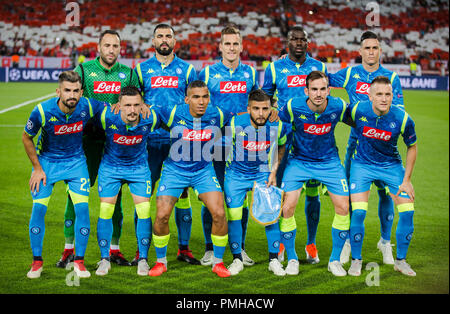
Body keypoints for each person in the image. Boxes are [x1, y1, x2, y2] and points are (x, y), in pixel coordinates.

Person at [57, 30, 140, 268]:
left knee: (115, 197)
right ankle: (68, 250)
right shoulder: (84, 71)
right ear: (99, 47)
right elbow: (71, 100)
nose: (111, 50)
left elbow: (136, 103)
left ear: (120, 48)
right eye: (107, 45)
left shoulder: (128, 73)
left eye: (115, 46)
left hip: (116, 143)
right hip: (86, 143)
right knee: (76, 195)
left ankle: (114, 250)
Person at [328, 31, 404, 265]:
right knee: (353, 197)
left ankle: (384, 241)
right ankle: (350, 241)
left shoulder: (391, 77)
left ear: (380, 51)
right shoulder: (350, 73)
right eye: (367, 48)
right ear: (360, 52)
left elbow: (398, 111)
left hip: (383, 147)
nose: (371, 52)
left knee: (385, 194)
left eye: (375, 48)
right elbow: (322, 80)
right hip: (356, 145)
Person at [23, 71, 106, 279]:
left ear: (81, 92)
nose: (72, 95)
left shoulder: (87, 105)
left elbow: (110, 108)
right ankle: (36, 263)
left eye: (76, 91)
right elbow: (26, 137)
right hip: (47, 163)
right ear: (58, 91)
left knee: (83, 210)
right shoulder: (42, 111)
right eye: (67, 90)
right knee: (38, 210)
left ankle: (79, 261)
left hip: (76, 162)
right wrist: (37, 168)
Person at [148, 80, 232, 278]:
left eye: (205, 97)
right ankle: (161, 262)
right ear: (187, 99)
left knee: (219, 213)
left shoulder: (218, 115)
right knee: (161, 215)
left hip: (203, 170)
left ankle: (218, 263)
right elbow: (149, 111)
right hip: (174, 170)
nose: (201, 102)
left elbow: (239, 120)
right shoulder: (172, 113)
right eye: (196, 97)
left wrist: (270, 112)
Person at [262, 26, 328, 264]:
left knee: (312, 192)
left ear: (308, 43)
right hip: (282, 139)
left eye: (303, 40)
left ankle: (311, 243)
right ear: (287, 42)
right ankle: (281, 242)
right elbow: (265, 96)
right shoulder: (274, 67)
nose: (299, 43)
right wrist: (271, 110)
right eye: (294, 39)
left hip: (312, 138)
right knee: (280, 191)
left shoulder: (320, 67)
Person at [135, 24, 199, 265]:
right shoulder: (141, 70)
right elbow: (134, 101)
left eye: (168, 36)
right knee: (144, 197)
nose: (164, 40)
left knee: (183, 195)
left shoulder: (188, 69)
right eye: (160, 36)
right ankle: (141, 252)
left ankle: (184, 248)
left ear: (175, 41)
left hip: (179, 144)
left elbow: (196, 102)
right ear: (153, 40)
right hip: (148, 143)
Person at [278, 71, 351, 276]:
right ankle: (292, 258)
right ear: (306, 90)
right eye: (314, 89)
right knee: (288, 206)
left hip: (329, 162)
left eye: (322, 89)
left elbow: (359, 121)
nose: (318, 94)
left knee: (344, 207)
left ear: (329, 90)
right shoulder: (293, 106)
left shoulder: (338, 106)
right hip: (299, 161)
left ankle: (335, 261)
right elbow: (276, 122)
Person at [197, 25, 259, 267]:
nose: (232, 48)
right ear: (220, 46)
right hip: (214, 144)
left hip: (244, 145)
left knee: (239, 199)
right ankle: (210, 248)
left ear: (241, 47)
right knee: (212, 197)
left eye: (236, 44)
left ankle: (239, 247)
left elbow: (258, 104)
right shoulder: (208, 73)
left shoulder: (250, 74)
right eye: (227, 43)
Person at [345, 76, 417, 277]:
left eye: (388, 94)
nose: (384, 99)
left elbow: (412, 146)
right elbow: (331, 110)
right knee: (358, 212)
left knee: (408, 210)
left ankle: (400, 261)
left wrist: (407, 180)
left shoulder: (402, 118)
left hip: (391, 166)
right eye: (379, 94)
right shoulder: (358, 109)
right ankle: (356, 260)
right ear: (370, 96)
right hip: (362, 165)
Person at [95, 86, 158, 277]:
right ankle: (105, 259)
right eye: (127, 105)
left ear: (143, 105)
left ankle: (143, 259)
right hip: (111, 168)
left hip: (138, 168)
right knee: (106, 210)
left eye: (136, 105)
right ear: (118, 106)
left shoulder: (151, 117)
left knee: (144, 210)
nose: (132, 110)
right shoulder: (106, 116)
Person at [224, 89, 288, 276]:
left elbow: (282, 145)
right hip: (236, 175)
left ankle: (274, 261)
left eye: (265, 109)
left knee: (271, 215)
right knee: (234, 216)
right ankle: (237, 259)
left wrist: (273, 170)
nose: (261, 113)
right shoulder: (236, 122)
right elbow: (223, 147)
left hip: (262, 174)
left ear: (271, 108)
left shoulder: (278, 126)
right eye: (256, 108)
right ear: (248, 108)